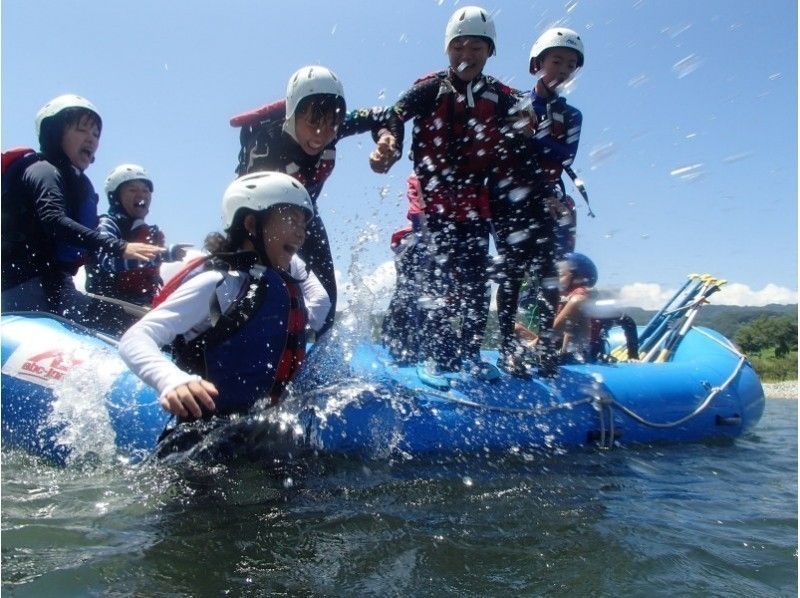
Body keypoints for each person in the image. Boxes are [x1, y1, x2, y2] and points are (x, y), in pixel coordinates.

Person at [378, 6, 543, 388]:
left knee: (475, 279)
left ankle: (469, 354)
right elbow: (393, 114)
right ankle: (433, 354)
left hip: (472, 200)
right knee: (436, 273)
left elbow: (527, 117)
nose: (466, 55)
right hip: (431, 196)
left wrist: (527, 124)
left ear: (490, 52)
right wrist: (389, 140)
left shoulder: (501, 95)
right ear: (447, 50)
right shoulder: (429, 88)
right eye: (458, 47)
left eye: (476, 48)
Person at [119, 172, 330, 425]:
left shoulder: (280, 289)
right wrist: (171, 380)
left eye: (303, 224)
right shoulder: (222, 288)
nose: (301, 233)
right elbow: (136, 338)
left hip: (258, 430)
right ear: (251, 224)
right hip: (203, 434)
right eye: (291, 219)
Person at [231, 65, 401, 336]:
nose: (322, 134)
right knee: (263, 291)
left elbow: (385, 115)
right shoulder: (266, 146)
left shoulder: (332, 125)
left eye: (332, 124)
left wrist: (387, 138)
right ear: (291, 114)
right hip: (260, 223)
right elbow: (245, 211)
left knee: (327, 303)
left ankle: (318, 364)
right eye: (313, 123)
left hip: (305, 217)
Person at [1, 94, 163, 332]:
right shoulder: (42, 171)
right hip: (25, 293)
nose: (91, 139)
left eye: (96, 134)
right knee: (140, 330)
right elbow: (53, 220)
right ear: (54, 133)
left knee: (148, 327)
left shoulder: (77, 183)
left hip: (56, 290)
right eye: (82, 130)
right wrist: (120, 247)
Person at [84, 164, 189, 307]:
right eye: (133, 190)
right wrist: (162, 255)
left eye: (146, 191)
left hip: (136, 308)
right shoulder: (107, 224)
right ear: (115, 197)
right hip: (105, 306)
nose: (141, 195)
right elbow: (109, 262)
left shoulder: (149, 233)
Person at [528, 26, 585, 259]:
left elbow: (567, 156)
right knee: (515, 268)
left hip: (552, 192)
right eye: (557, 62)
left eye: (570, 66)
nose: (563, 70)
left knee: (555, 264)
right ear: (538, 63)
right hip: (513, 191)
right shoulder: (514, 102)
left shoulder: (572, 115)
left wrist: (532, 136)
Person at [381, 174, 426, 364]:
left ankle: (418, 341)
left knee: (425, 294)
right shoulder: (418, 177)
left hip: (425, 239)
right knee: (407, 290)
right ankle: (394, 339)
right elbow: (418, 214)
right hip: (413, 241)